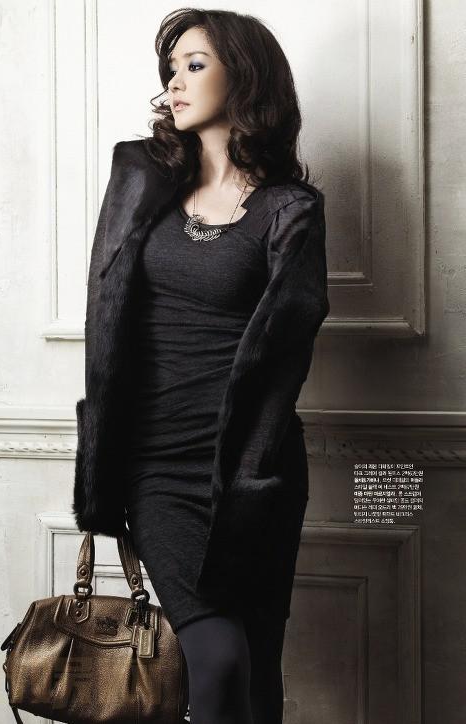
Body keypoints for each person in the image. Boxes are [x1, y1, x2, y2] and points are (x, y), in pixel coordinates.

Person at [92, 8, 328, 724]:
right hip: (157, 467)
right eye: (171, 68)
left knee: (254, 671)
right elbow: (107, 324)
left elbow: (289, 350)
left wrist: (254, 471)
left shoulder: (289, 209)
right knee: (217, 657)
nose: (175, 82)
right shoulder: (142, 186)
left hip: (251, 471)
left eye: (195, 65)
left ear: (244, 76)